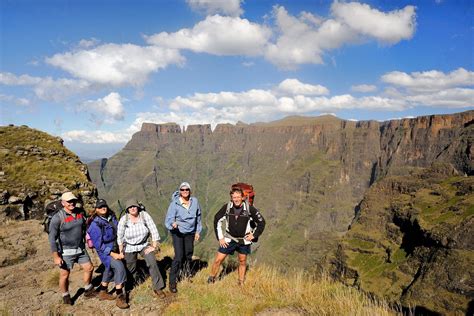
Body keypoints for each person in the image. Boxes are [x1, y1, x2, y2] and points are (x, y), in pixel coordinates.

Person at [208, 187, 265, 285]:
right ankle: (211, 279)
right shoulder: (227, 207)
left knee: (242, 261)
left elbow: (261, 222)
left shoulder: (249, 209)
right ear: (231, 198)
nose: (236, 199)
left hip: (244, 240)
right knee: (218, 259)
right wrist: (220, 238)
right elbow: (217, 219)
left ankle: (241, 282)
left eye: (238, 197)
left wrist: (254, 235)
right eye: (234, 197)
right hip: (229, 238)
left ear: (243, 197)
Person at [48, 191, 96, 305]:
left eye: (73, 201)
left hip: (80, 248)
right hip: (65, 251)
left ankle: (88, 289)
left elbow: (85, 226)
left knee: (89, 268)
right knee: (65, 275)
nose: (72, 203)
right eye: (69, 201)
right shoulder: (57, 218)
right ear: (63, 203)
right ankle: (65, 296)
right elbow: (52, 238)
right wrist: (56, 256)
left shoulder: (80, 213)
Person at [117, 199, 166, 298]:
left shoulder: (144, 215)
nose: (133, 208)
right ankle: (130, 285)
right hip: (129, 246)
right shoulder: (124, 219)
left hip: (144, 244)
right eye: (130, 207)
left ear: (138, 207)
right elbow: (120, 236)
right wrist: (121, 251)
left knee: (152, 262)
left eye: (134, 206)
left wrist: (153, 246)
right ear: (127, 209)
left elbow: (153, 229)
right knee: (131, 267)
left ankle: (158, 287)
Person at [87, 199, 129, 309]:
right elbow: (99, 245)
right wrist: (113, 254)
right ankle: (120, 296)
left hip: (116, 246)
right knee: (119, 267)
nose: (103, 208)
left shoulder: (111, 217)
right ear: (96, 210)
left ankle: (102, 291)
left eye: (104, 206)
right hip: (105, 251)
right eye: (100, 207)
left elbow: (119, 229)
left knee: (109, 269)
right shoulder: (95, 225)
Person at [165, 181, 202, 293]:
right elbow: (168, 219)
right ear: (179, 191)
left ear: (190, 191)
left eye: (187, 190)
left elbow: (198, 217)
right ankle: (172, 281)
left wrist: (197, 231)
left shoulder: (195, 201)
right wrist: (173, 224)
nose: (185, 191)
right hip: (178, 232)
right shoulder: (175, 204)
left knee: (188, 254)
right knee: (179, 256)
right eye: (182, 190)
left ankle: (185, 275)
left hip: (190, 232)